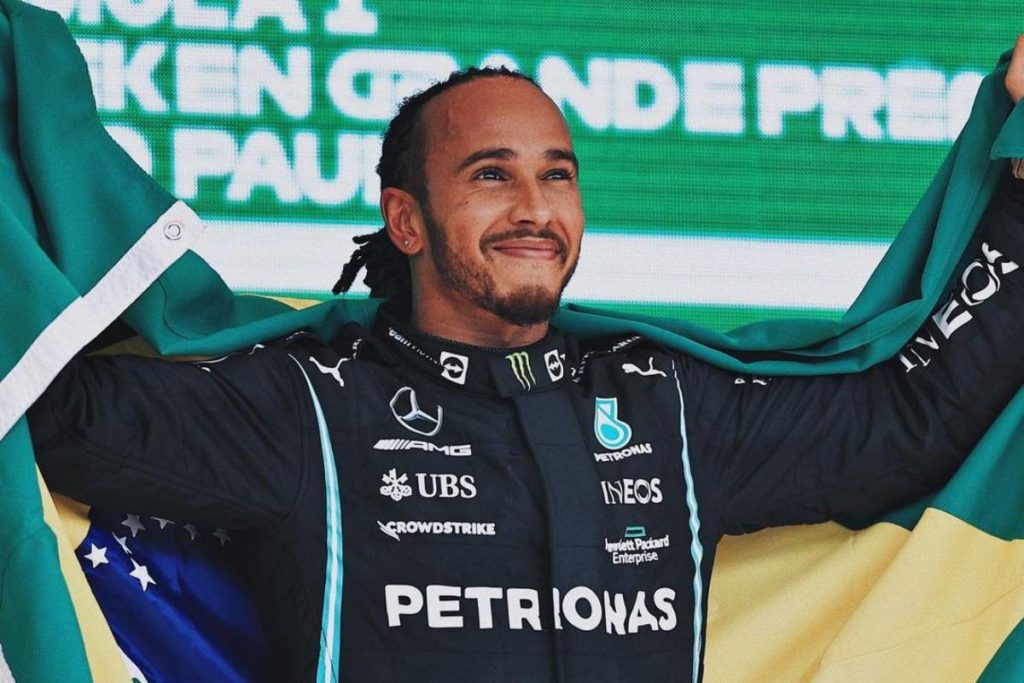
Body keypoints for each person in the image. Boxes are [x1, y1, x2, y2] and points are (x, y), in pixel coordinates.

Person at [27, 41, 1024, 682]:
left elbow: (910, 418)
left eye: (556, 175)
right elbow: (44, 405)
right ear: (405, 219)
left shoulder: (670, 403)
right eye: (490, 175)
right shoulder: (303, 406)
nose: (533, 208)